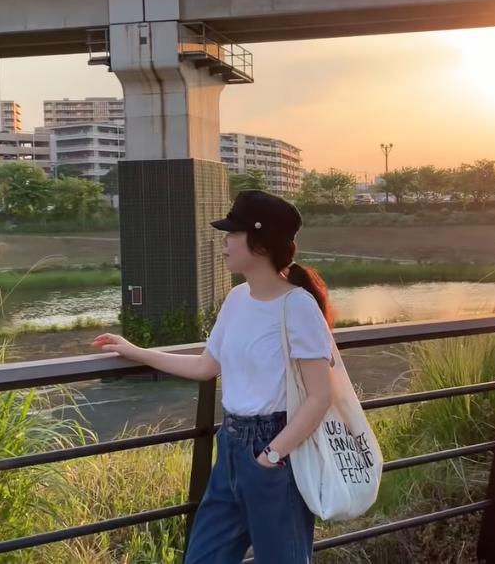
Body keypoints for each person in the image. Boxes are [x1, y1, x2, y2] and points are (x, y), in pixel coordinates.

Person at [92, 190, 335, 563]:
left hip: (274, 450)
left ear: (260, 243)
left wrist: (271, 456)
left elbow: (320, 396)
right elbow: (207, 365)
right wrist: (136, 351)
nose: (224, 241)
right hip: (232, 446)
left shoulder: (298, 307)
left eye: (232, 234)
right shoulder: (237, 299)